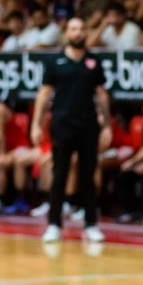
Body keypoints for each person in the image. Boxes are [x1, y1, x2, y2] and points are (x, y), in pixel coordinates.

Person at [31, 17, 112, 244]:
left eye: (82, 28)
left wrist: (106, 125)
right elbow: (44, 95)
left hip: (88, 126)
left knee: (88, 177)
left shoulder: (94, 62)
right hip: (62, 126)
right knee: (60, 176)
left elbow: (102, 95)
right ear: (66, 33)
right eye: (74, 29)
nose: (78, 33)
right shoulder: (55, 62)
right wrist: (36, 125)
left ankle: (91, 224)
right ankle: (54, 224)